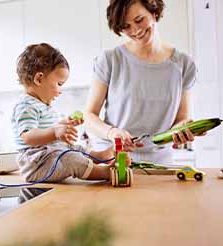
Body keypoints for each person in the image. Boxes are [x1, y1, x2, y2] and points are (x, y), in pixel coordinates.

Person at [85, 0, 198, 164]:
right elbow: (89, 116)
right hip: (114, 161)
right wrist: (112, 132)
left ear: (154, 11)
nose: (136, 30)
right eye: (126, 26)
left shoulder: (183, 64)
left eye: (139, 20)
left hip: (159, 164)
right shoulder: (110, 60)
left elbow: (181, 118)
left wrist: (182, 129)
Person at [12, 43, 121, 183]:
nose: (60, 90)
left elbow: (47, 130)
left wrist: (65, 125)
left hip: (47, 155)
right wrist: (55, 132)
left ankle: (97, 155)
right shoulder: (26, 106)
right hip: (35, 164)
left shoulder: (43, 105)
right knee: (70, 158)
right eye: (59, 84)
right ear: (39, 79)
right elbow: (28, 136)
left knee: (73, 147)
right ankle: (104, 172)